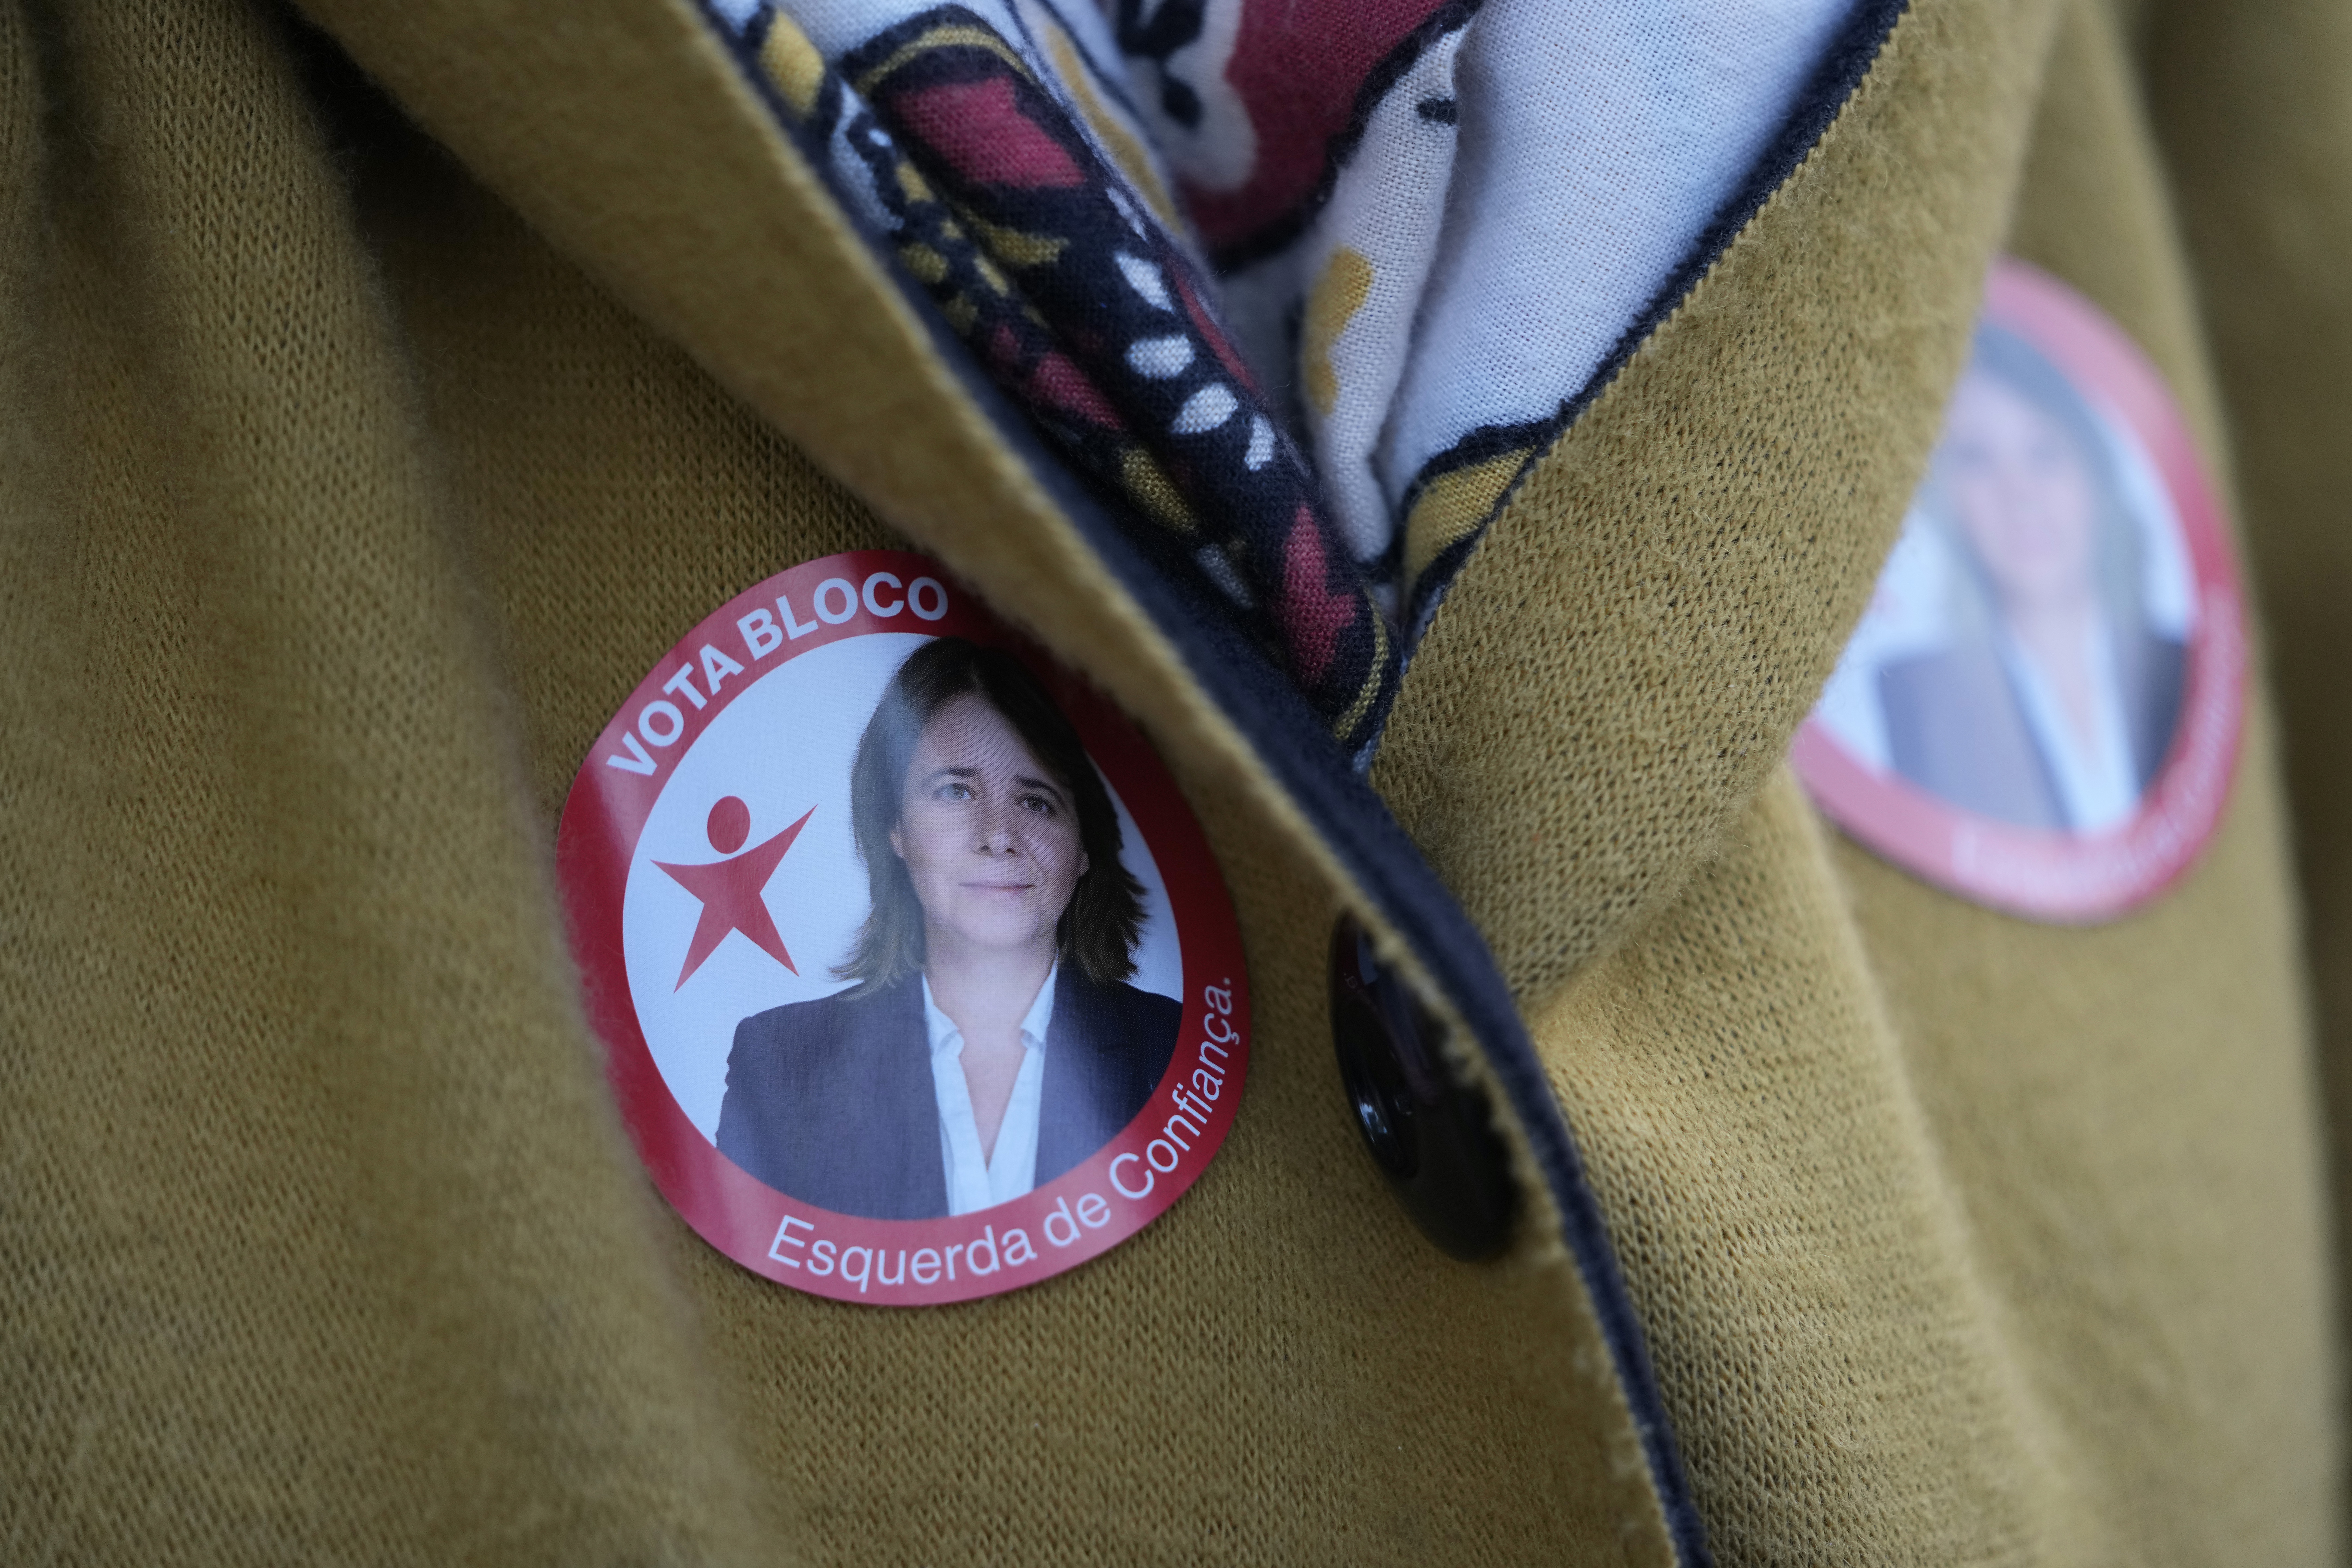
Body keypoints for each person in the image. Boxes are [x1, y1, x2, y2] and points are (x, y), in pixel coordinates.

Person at [715, 637, 1181, 1219]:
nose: (999, 835)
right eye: (956, 792)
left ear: (1084, 845)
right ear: (898, 831)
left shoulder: (1174, 1050)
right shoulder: (779, 1067)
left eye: (1037, 802)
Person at [1878, 327, 2188, 832]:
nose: (2018, 493)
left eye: (2044, 453)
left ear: (2095, 474)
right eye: (1976, 460)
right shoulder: (1918, 696)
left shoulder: (2181, 670)